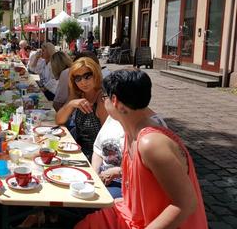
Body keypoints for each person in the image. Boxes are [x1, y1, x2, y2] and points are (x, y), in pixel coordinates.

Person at [76, 69, 207, 229]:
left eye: (104, 98)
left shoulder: (151, 143)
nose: (103, 103)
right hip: (131, 214)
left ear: (115, 101)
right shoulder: (130, 131)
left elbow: (186, 204)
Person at [92, 111, 167, 199]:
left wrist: (118, 172)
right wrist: (94, 174)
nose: (104, 100)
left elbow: (151, 174)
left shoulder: (152, 130)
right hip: (104, 178)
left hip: (129, 185)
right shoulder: (114, 116)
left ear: (115, 100)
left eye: (105, 97)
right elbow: (98, 150)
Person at [55, 57, 107, 157]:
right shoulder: (79, 94)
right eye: (78, 78)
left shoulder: (102, 100)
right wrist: (71, 104)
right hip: (78, 149)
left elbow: (106, 140)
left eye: (87, 76)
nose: (83, 82)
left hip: (95, 155)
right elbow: (59, 120)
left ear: (95, 74)